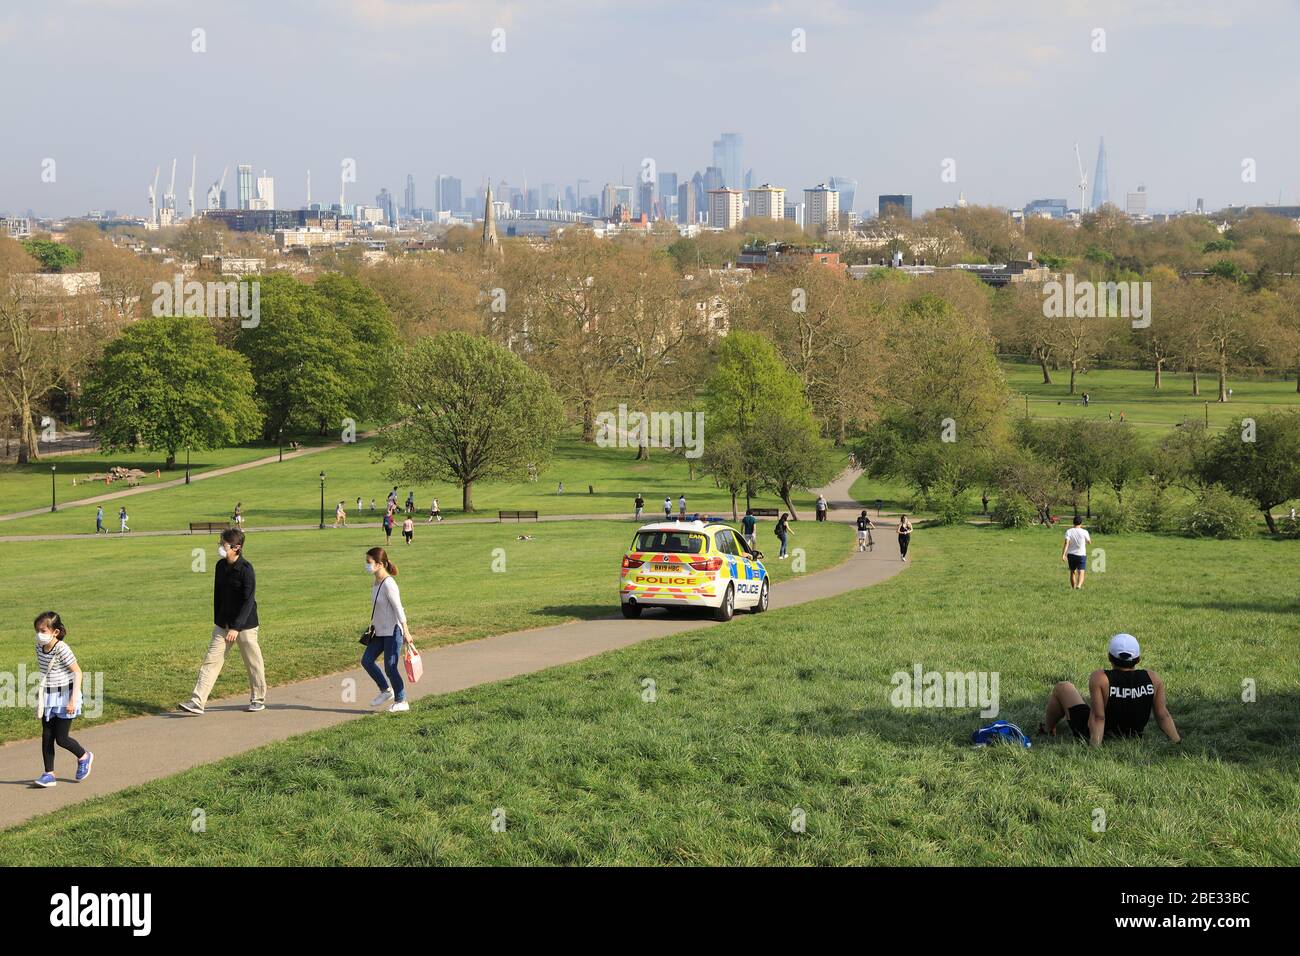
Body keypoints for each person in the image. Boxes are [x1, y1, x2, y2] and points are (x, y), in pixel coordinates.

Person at [178, 529, 266, 715]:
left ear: (237, 547)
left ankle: (258, 699)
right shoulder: (220, 566)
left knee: (253, 662)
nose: (220, 547)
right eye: (220, 543)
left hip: (245, 626)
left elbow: (248, 601)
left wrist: (236, 627)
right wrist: (219, 621)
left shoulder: (246, 569)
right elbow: (218, 595)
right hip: (223, 624)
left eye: (224, 544)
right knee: (211, 661)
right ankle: (197, 701)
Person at [1039, 634, 1181, 747]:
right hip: (1132, 735)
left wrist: (1094, 749)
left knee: (1063, 687)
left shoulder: (1101, 678)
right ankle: (1048, 729)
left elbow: (1098, 717)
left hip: (1097, 734)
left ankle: (1047, 730)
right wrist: (1177, 742)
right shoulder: (1153, 678)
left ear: (1109, 657)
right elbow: (1163, 715)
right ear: (1138, 659)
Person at [31, 611, 93, 788]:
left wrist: (73, 700)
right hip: (49, 697)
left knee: (62, 738)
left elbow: (77, 672)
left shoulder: (62, 649)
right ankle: (49, 774)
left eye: (43, 630)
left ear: (55, 632)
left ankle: (84, 756)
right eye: (37, 630)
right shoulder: (39, 647)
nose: (39, 634)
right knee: (47, 736)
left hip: (66, 696)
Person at [362, 547, 415, 713]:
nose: (366, 565)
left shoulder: (389, 583)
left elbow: (399, 608)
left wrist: (406, 631)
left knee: (390, 667)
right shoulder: (376, 582)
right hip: (380, 631)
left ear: (379, 564)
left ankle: (402, 700)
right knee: (367, 660)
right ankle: (386, 690)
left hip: (393, 631)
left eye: (369, 562)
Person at [1062, 515, 1091, 590]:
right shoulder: (1084, 532)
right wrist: (1087, 541)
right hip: (1081, 554)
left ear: (1073, 522)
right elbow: (1089, 542)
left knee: (1072, 572)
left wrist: (1064, 554)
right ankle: (1079, 585)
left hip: (1071, 554)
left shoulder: (1069, 531)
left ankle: (1073, 587)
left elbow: (1066, 543)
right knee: (1081, 572)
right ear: (1081, 523)